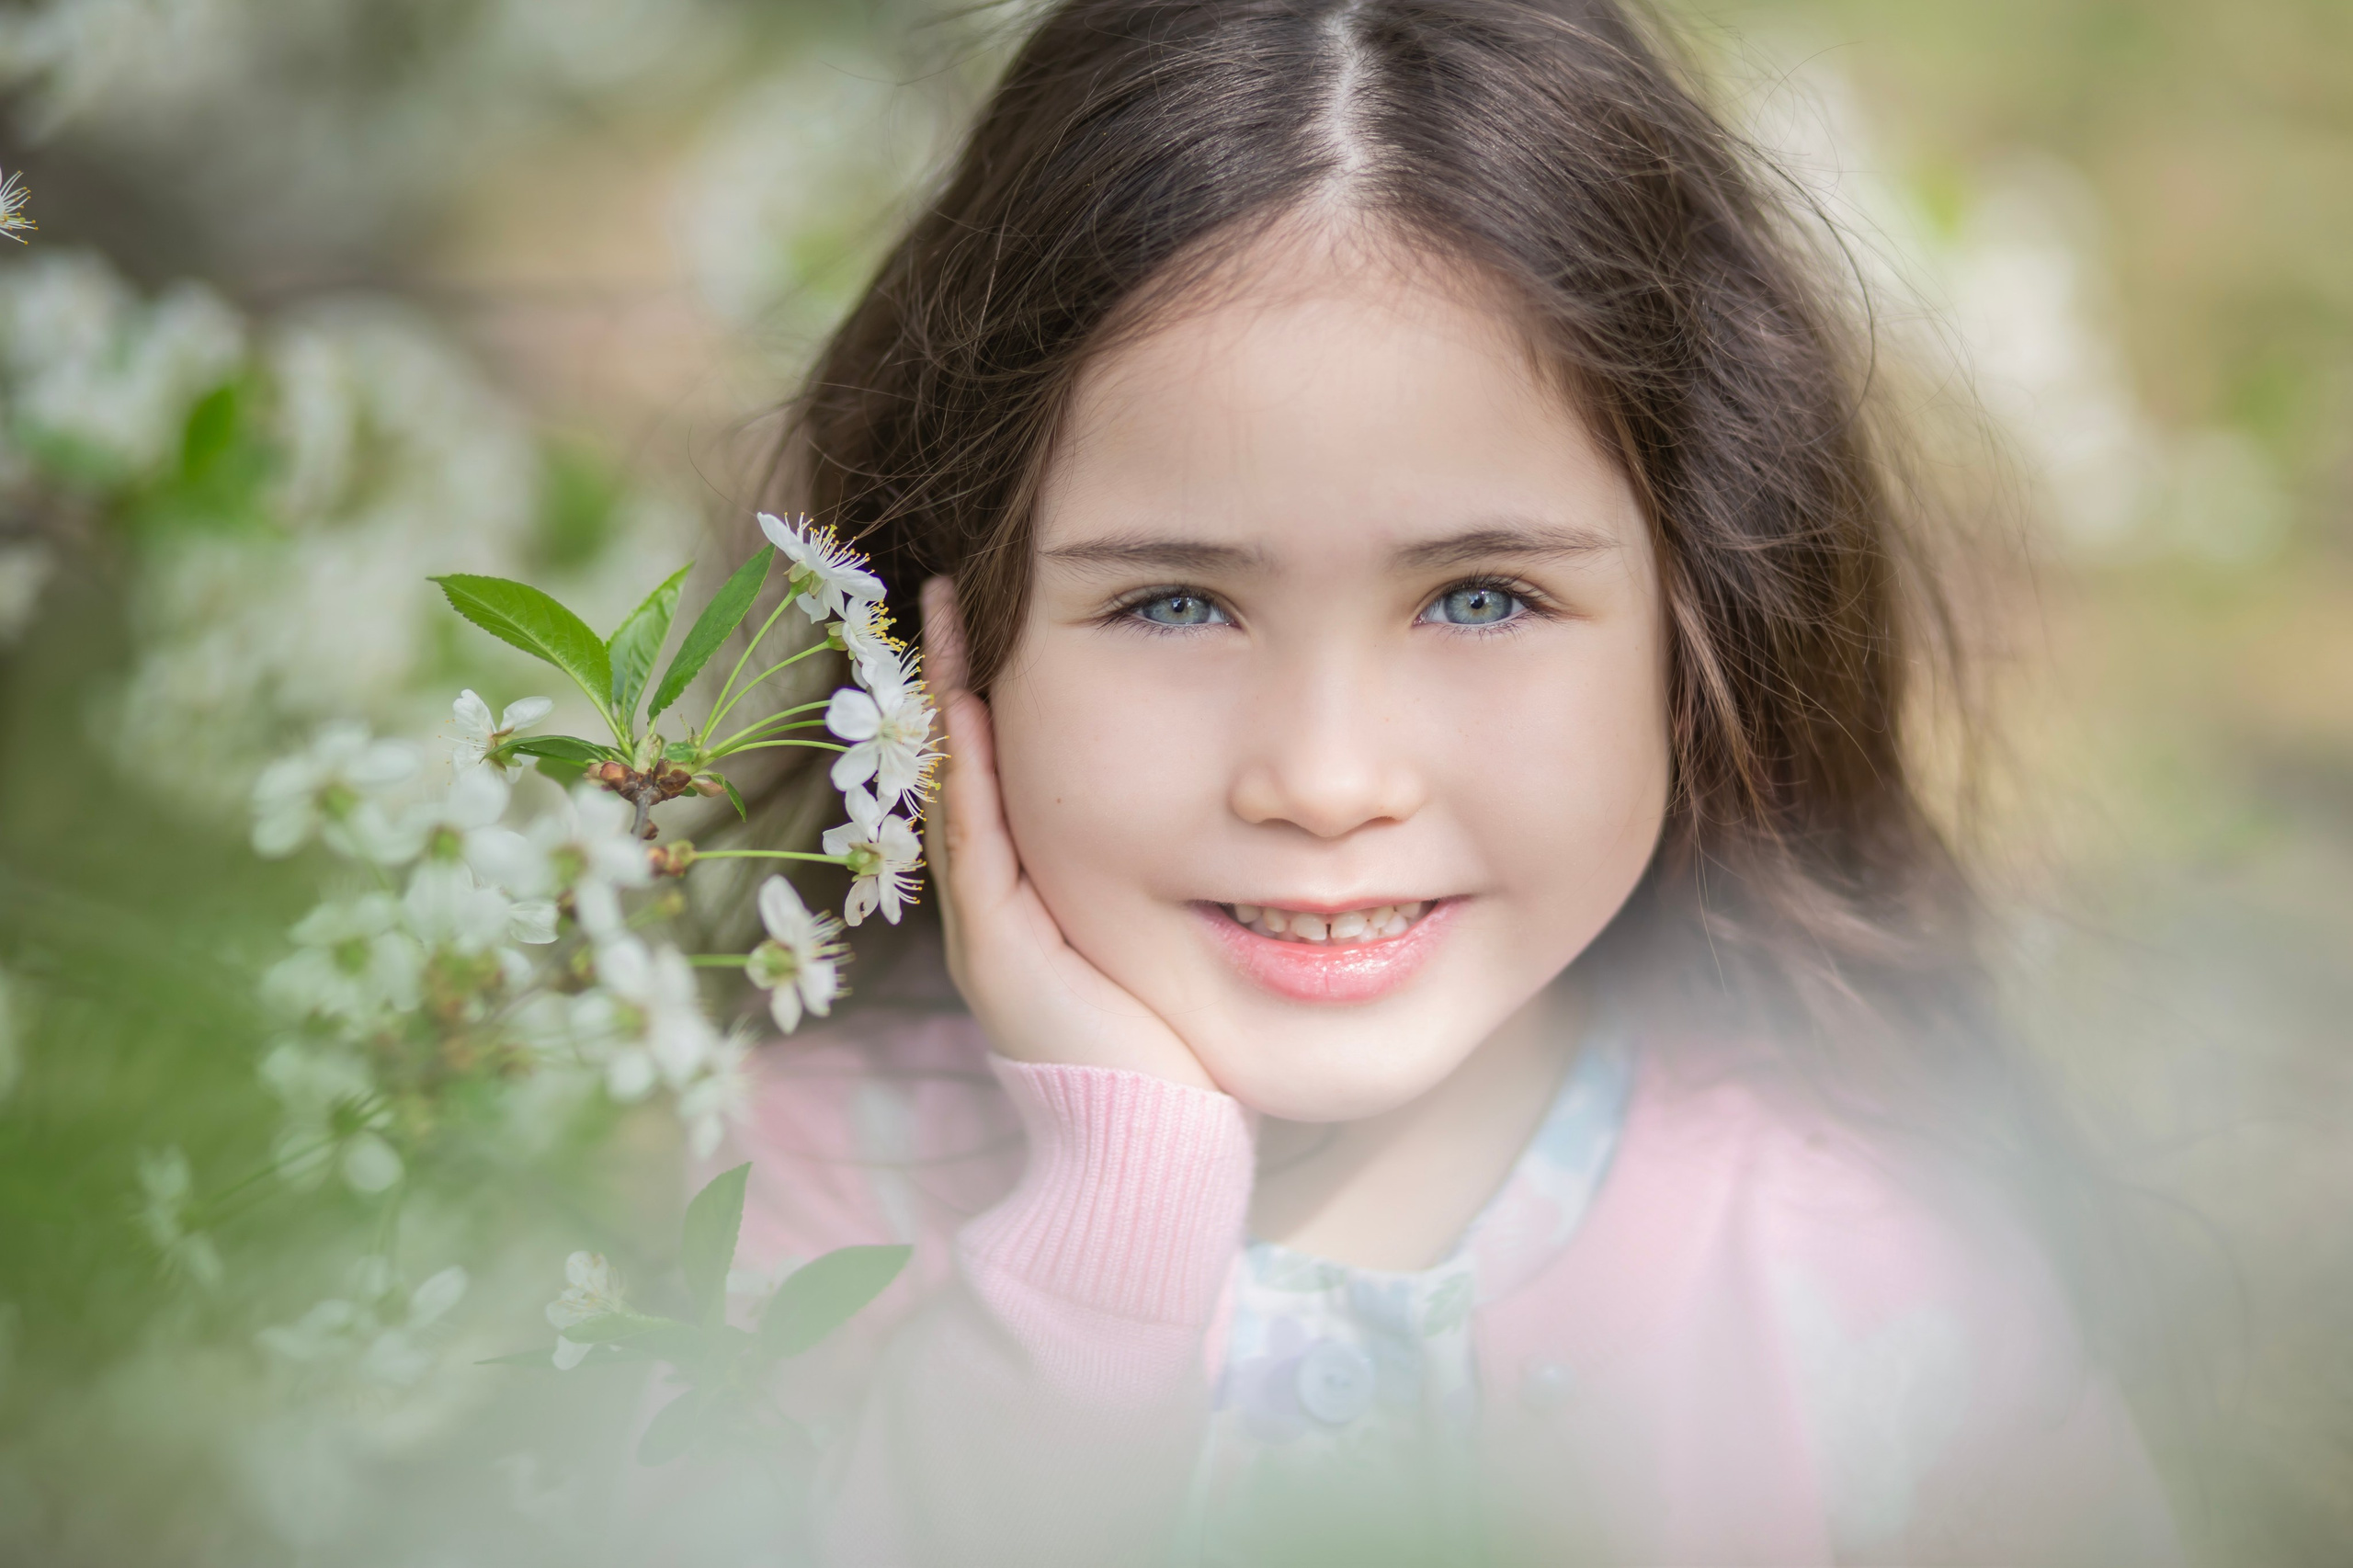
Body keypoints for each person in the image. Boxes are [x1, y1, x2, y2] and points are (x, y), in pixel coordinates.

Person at [712, 1, 2183, 1561]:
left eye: (1480, 597)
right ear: (937, 640)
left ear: (1705, 617)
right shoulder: (796, 1202)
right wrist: (1111, 1219)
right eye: (1176, 603)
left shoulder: (1881, 1278)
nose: (1325, 779)